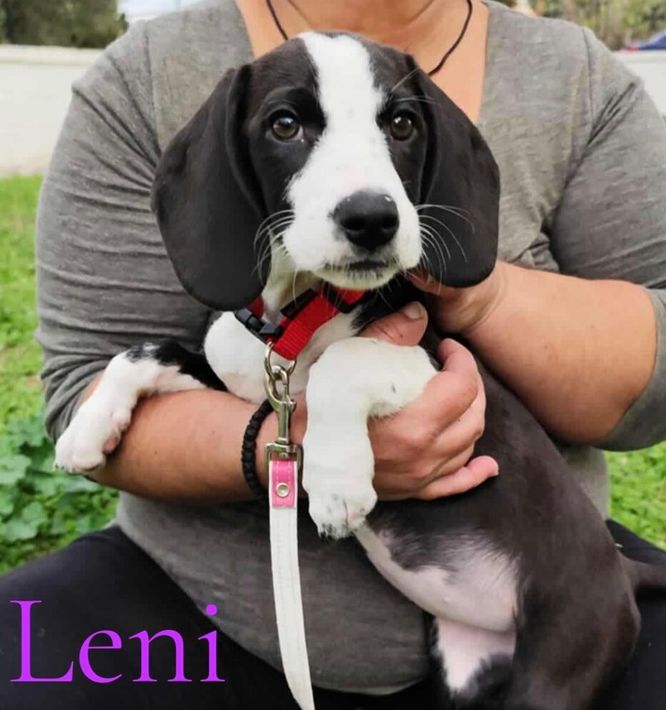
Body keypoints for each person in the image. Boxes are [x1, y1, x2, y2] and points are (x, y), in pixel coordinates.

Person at [0, 0, 664, 707]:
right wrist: (280, 444)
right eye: (287, 125)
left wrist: (484, 299)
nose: (365, 199)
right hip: (195, 616)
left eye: (398, 125)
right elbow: (82, 388)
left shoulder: (578, 77)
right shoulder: (149, 78)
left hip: (550, 583)